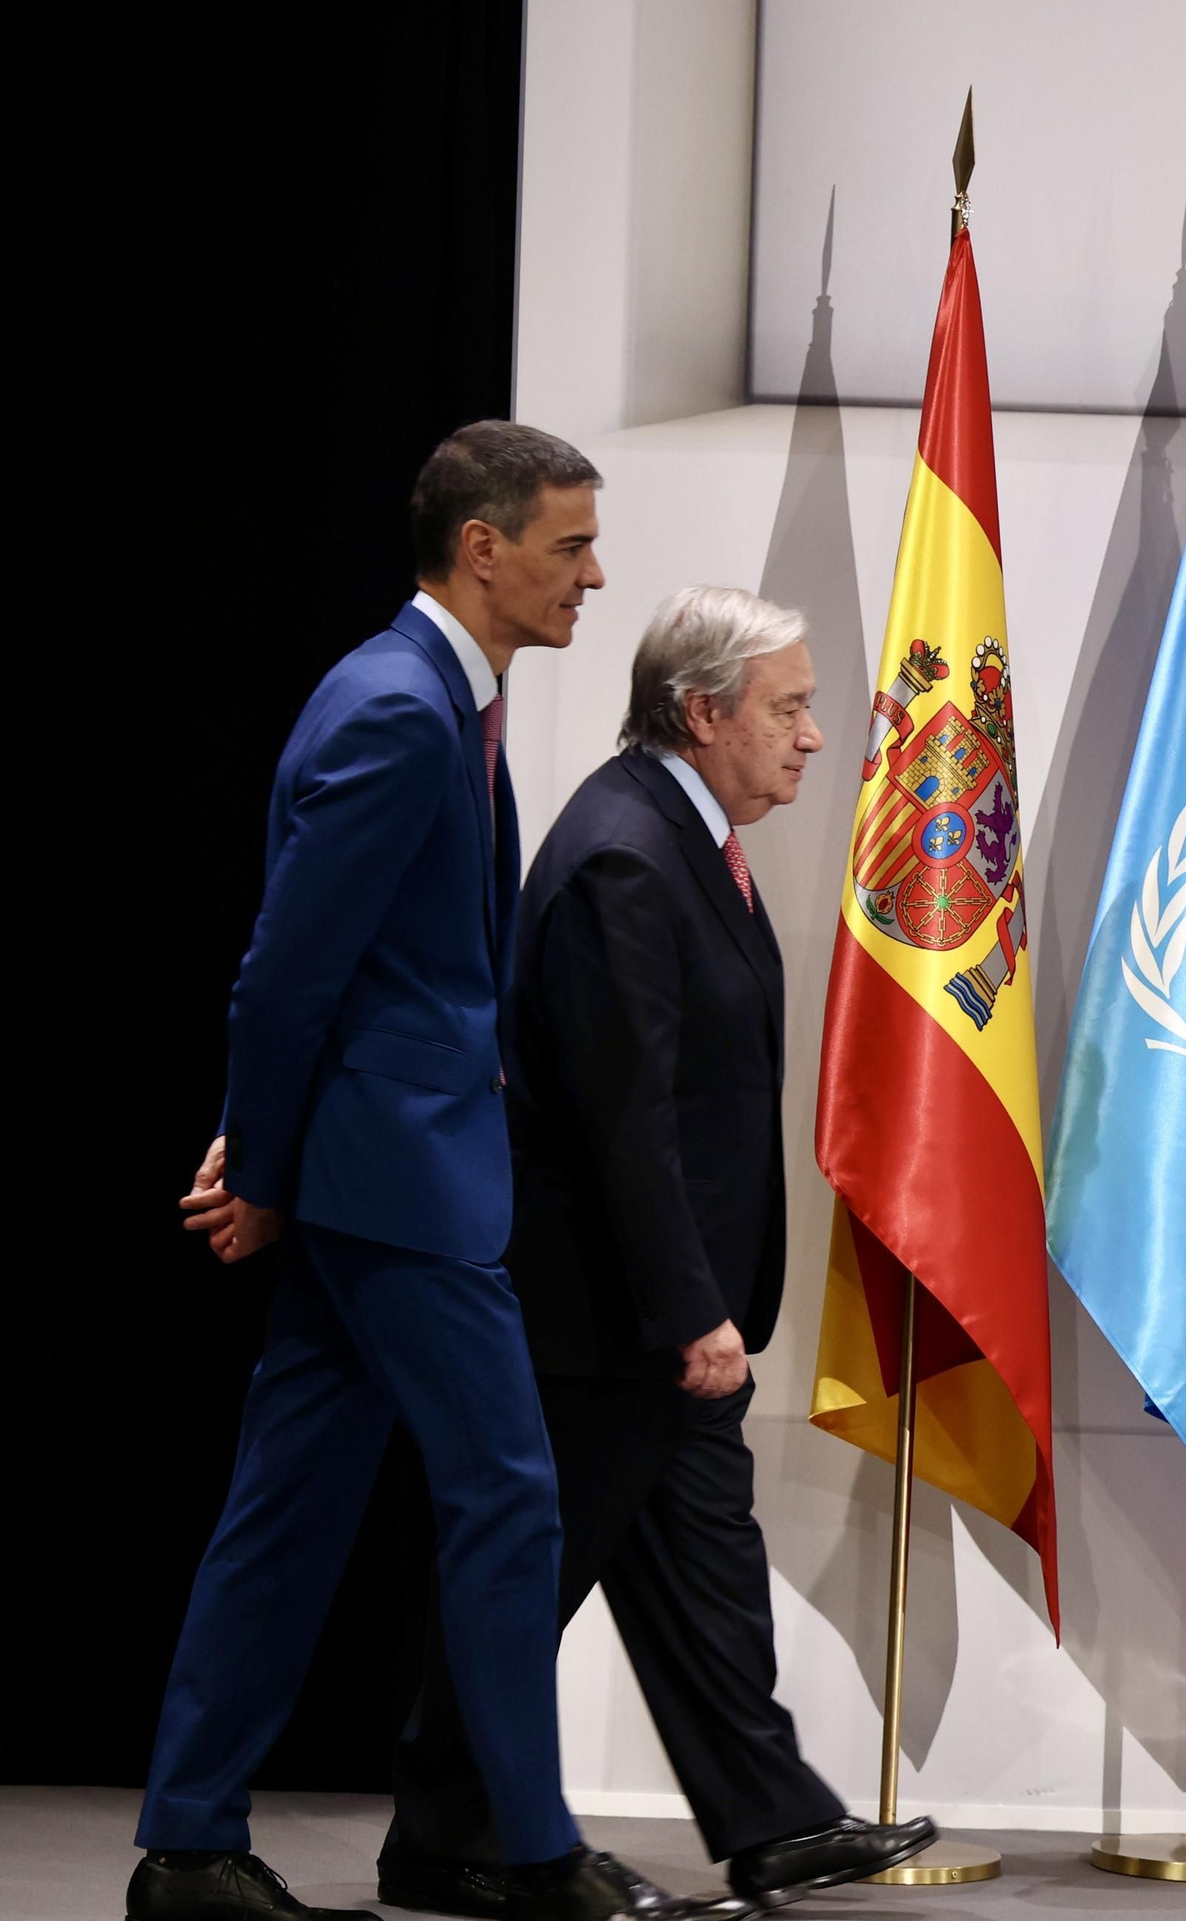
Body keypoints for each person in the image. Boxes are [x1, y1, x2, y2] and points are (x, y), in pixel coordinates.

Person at [131, 423, 716, 1921]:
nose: (594, 574)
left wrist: (275, 1151)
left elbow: (364, 969)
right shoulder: (402, 710)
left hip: (381, 1173)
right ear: (484, 549)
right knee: (509, 1493)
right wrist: (260, 1160)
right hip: (394, 1188)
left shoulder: (433, 698)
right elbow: (286, 973)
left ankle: (190, 1844)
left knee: (289, 1503)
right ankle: (525, 1852)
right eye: (571, 545)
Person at [379, 587, 938, 1918]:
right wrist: (693, 1308)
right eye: (789, 707)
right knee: (536, 1570)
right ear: (704, 713)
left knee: (700, 1559)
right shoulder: (628, 854)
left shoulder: (684, 838)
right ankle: (449, 1836)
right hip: (605, 1313)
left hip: (664, 1311)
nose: (814, 736)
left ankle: (773, 1819)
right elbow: (623, 1117)